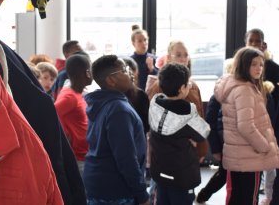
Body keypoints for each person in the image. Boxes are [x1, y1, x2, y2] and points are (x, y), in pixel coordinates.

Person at [214, 46, 279, 205]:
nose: (259, 68)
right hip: (250, 156)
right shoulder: (245, 90)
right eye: (254, 64)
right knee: (249, 198)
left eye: (261, 64)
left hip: (239, 155)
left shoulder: (235, 85)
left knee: (237, 197)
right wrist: (264, 147)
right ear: (244, 65)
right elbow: (246, 126)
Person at [84, 55, 149, 205]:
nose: (130, 73)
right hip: (115, 189)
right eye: (124, 70)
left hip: (100, 183)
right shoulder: (118, 109)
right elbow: (126, 158)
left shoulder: (103, 102)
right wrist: (142, 194)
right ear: (111, 80)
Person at [149, 63, 210, 205]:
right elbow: (203, 132)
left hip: (160, 171)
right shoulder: (186, 110)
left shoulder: (155, 103)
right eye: (188, 83)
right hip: (182, 175)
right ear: (182, 89)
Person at [146, 40, 208, 160]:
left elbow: (200, 116)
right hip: (168, 154)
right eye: (178, 55)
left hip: (191, 153)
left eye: (186, 55)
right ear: (169, 58)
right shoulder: (159, 86)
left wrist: (201, 149)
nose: (183, 59)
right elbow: (153, 122)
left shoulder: (193, 86)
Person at [196, 58, 234, 204]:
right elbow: (210, 123)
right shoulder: (217, 97)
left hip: (232, 145)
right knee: (223, 175)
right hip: (223, 145)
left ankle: (203, 196)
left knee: (225, 175)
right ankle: (203, 196)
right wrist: (216, 149)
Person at [54, 54, 92, 176]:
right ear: (87, 72)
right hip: (78, 157)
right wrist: (66, 137)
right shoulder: (69, 97)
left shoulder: (77, 92)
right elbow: (50, 115)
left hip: (84, 155)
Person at [245, 28, 279, 105]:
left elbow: (277, 95)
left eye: (257, 41)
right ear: (246, 44)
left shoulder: (274, 67)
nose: (253, 44)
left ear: (263, 44)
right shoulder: (237, 64)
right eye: (250, 41)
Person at [130, 25, 158, 91]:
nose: (144, 43)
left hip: (152, 95)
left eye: (145, 40)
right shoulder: (130, 61)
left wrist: (152, 69)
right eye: (140, 41)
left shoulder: (155, 59)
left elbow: (161, 80)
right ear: (133, 43)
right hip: (135, 95)